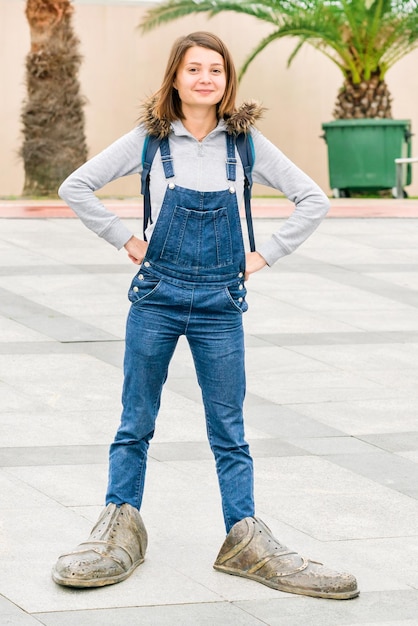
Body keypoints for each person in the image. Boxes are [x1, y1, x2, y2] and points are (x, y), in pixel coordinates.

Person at [52, 31, 359, 600]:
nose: (205, 78)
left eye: (215, 70)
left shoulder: (246, 145)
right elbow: (77, 186)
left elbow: (313, 198)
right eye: (193, 69)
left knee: (229, 428)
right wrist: (125, 238)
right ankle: (119, 525)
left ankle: (243, 536)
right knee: (135, 419)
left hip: (222, 304)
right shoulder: (148, 141)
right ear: (175, 77)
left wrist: (264, 254)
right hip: (156, 299)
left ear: (227, 80)